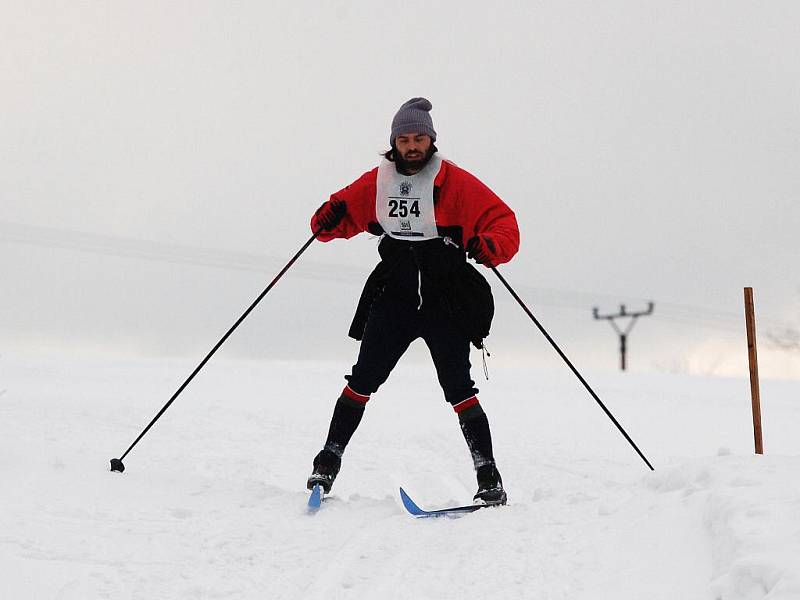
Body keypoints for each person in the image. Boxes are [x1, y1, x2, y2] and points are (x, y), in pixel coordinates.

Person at [307, 97, 520, 505]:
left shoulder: (455, 182)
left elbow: (502, 221)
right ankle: (326, 463)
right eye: (404, 139)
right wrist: (326, 219)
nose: (412, 146)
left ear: (431, 140)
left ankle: (488, 476)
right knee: (362, 380)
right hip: (395, 298)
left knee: (459, 387)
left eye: (419, 137)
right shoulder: (377, 182)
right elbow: (333, 220)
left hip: (446, 299)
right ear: (394, 143)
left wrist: (490, 244)